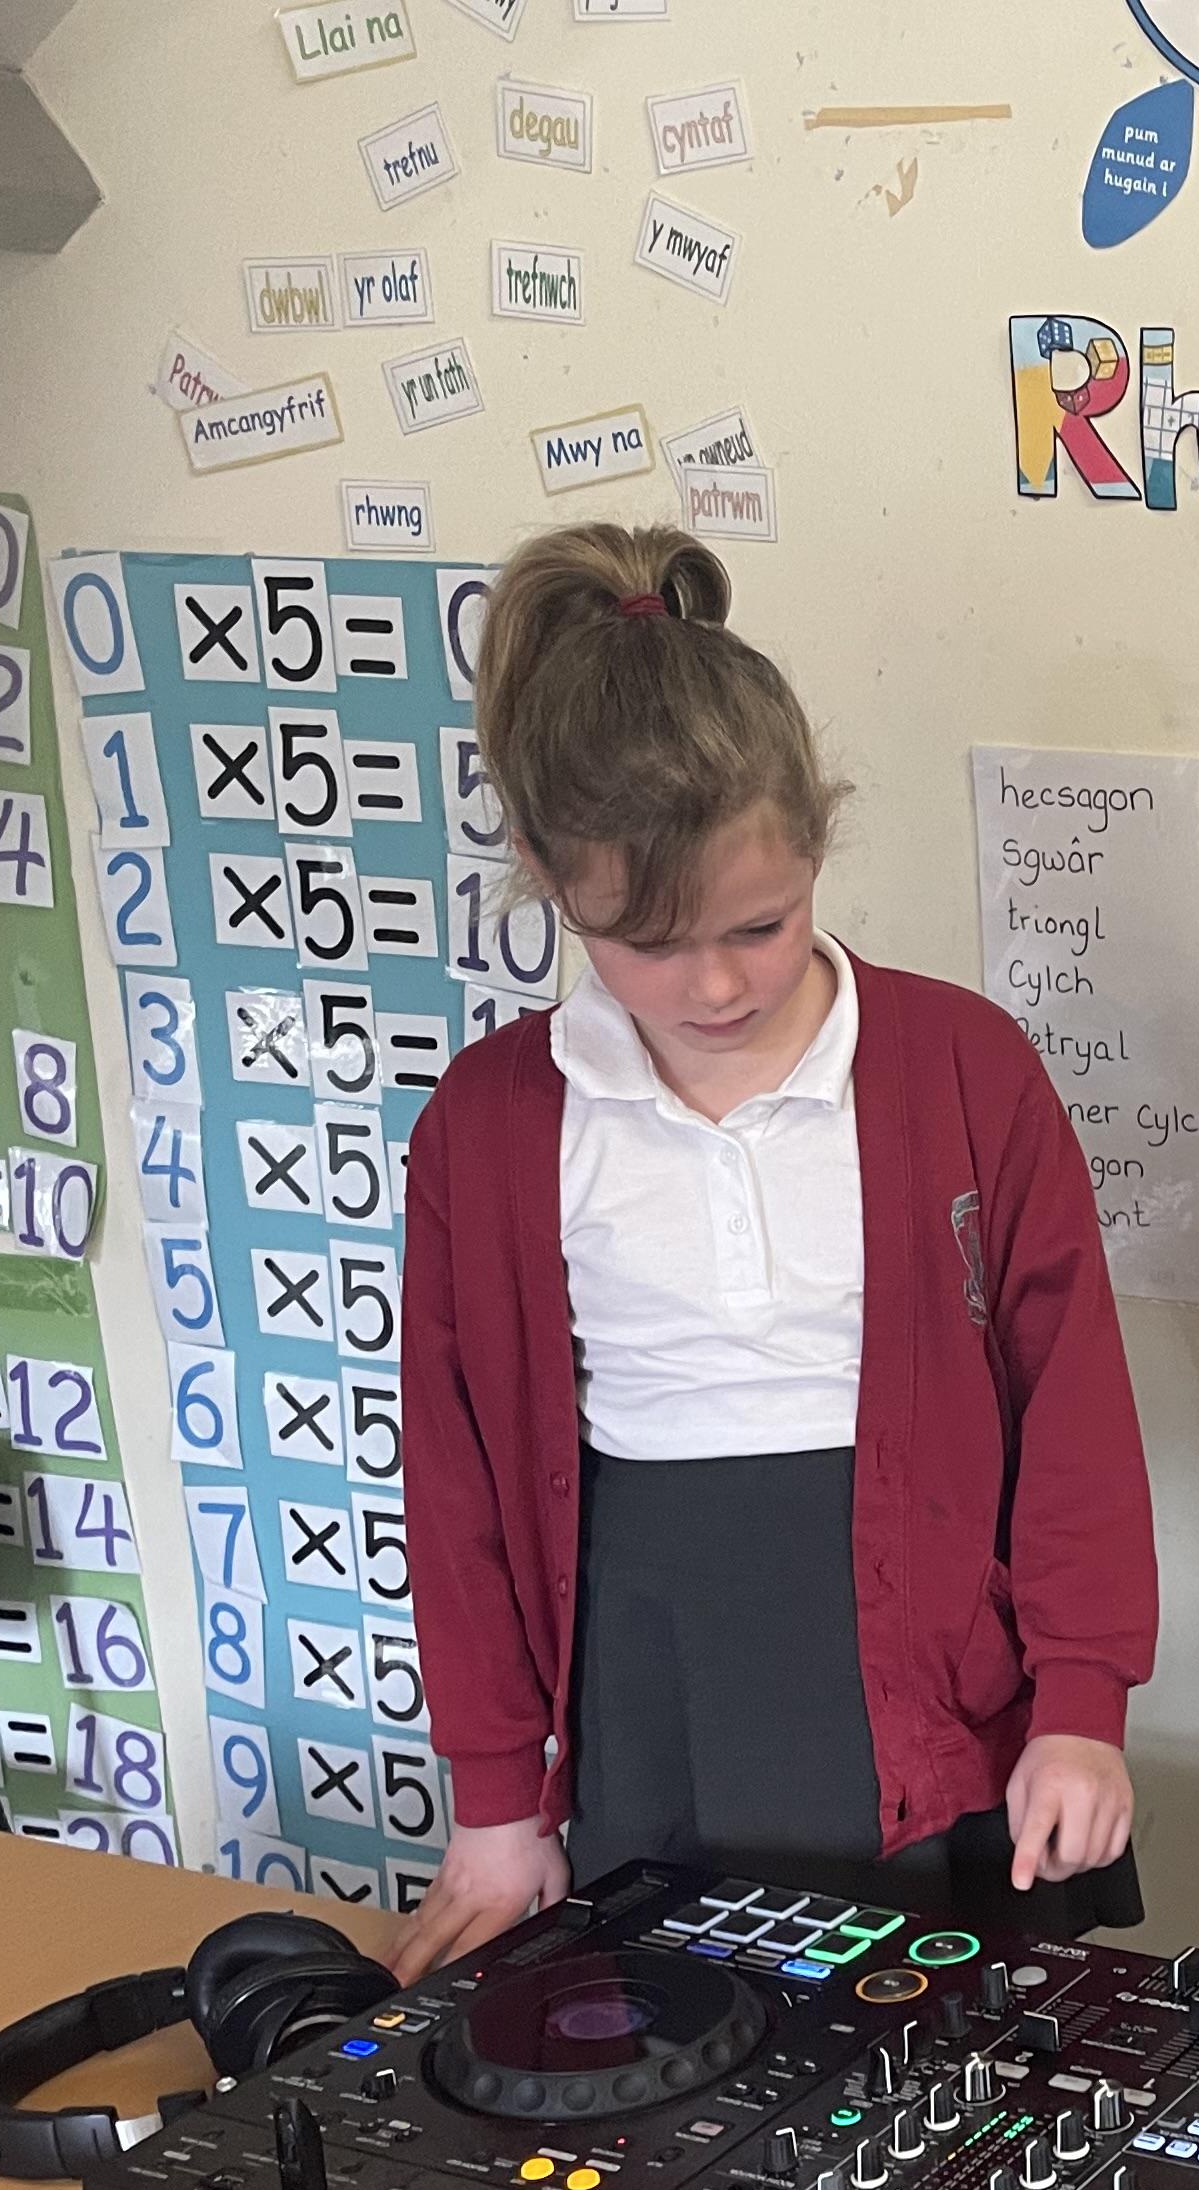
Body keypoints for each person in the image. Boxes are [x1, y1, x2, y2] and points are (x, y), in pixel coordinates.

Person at [389, 525, 1155, 1984]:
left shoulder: (965, 1069)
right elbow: (461, 1484)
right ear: (548, 877)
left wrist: (1081, 1703)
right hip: (657, 1692)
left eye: (761, 923)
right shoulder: (487, 1132)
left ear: (817, 835)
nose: (719, 983)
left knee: (956, 2070)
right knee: (684, 2058)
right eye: (647, 942)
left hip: (939, 1695)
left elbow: (1072, 1407)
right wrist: (494, 1801)